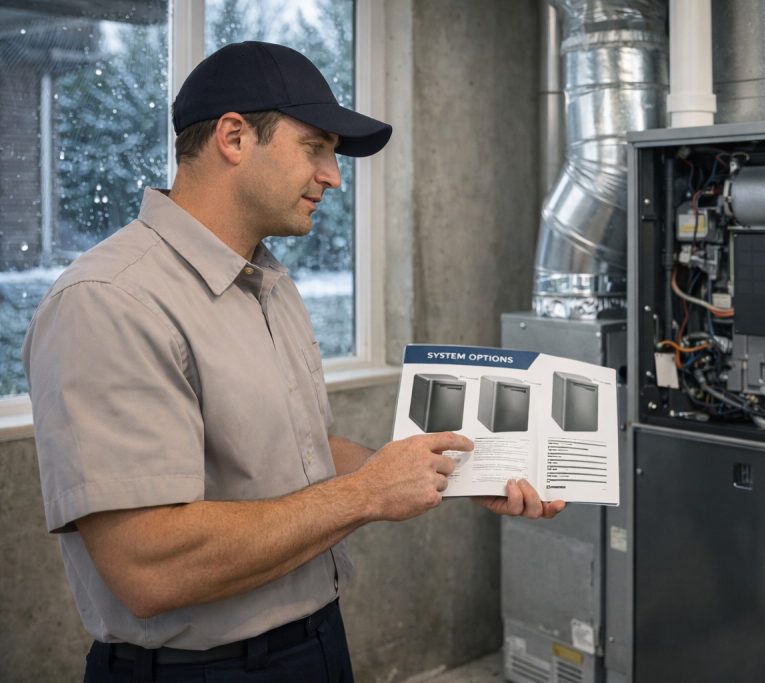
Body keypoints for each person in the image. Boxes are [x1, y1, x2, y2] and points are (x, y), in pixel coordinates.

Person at [23, 41, 564, 682]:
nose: (333, 175)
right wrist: (365, 495)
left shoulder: (266, 281)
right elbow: (147, 567)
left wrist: (455, 473)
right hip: (195, 670)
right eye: (316, 147)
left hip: (316, 643)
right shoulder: (111, 302)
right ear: (233, 137)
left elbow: (301, 451)